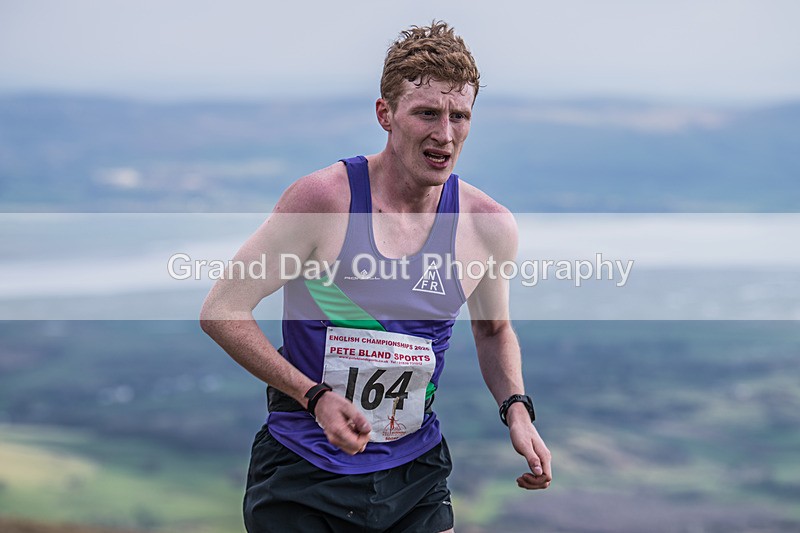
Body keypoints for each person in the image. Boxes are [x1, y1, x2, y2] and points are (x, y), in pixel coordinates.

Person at [200, 20, 551, 533]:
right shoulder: (324, 201)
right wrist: (314, 397)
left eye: (459, 116)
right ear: (385, 114)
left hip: (417, 472)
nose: (445, 134)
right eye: (427, 113)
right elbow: (222, 311)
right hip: (304, 471)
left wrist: (516, 410)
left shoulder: (487, 225)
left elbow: (493, 330)